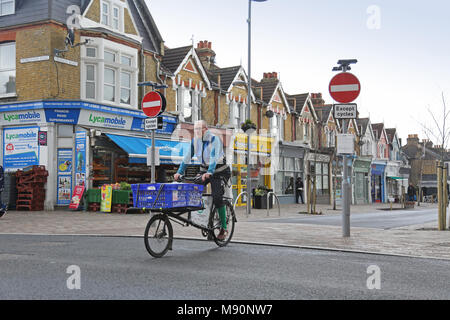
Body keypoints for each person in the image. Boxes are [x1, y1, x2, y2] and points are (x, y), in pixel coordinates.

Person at [174, 120, 230, 241]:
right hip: (205, 170)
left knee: (217, 196)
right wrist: (179, 172)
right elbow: (187, 157)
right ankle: (203, 218)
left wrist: (210, 172)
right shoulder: (195, 141)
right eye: (195, 129)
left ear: (205, 129)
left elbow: (214, 157)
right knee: (194, 188)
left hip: (220, 171)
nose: (196, 132)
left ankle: (224, 228)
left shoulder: (215, 140)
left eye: (199, 129)